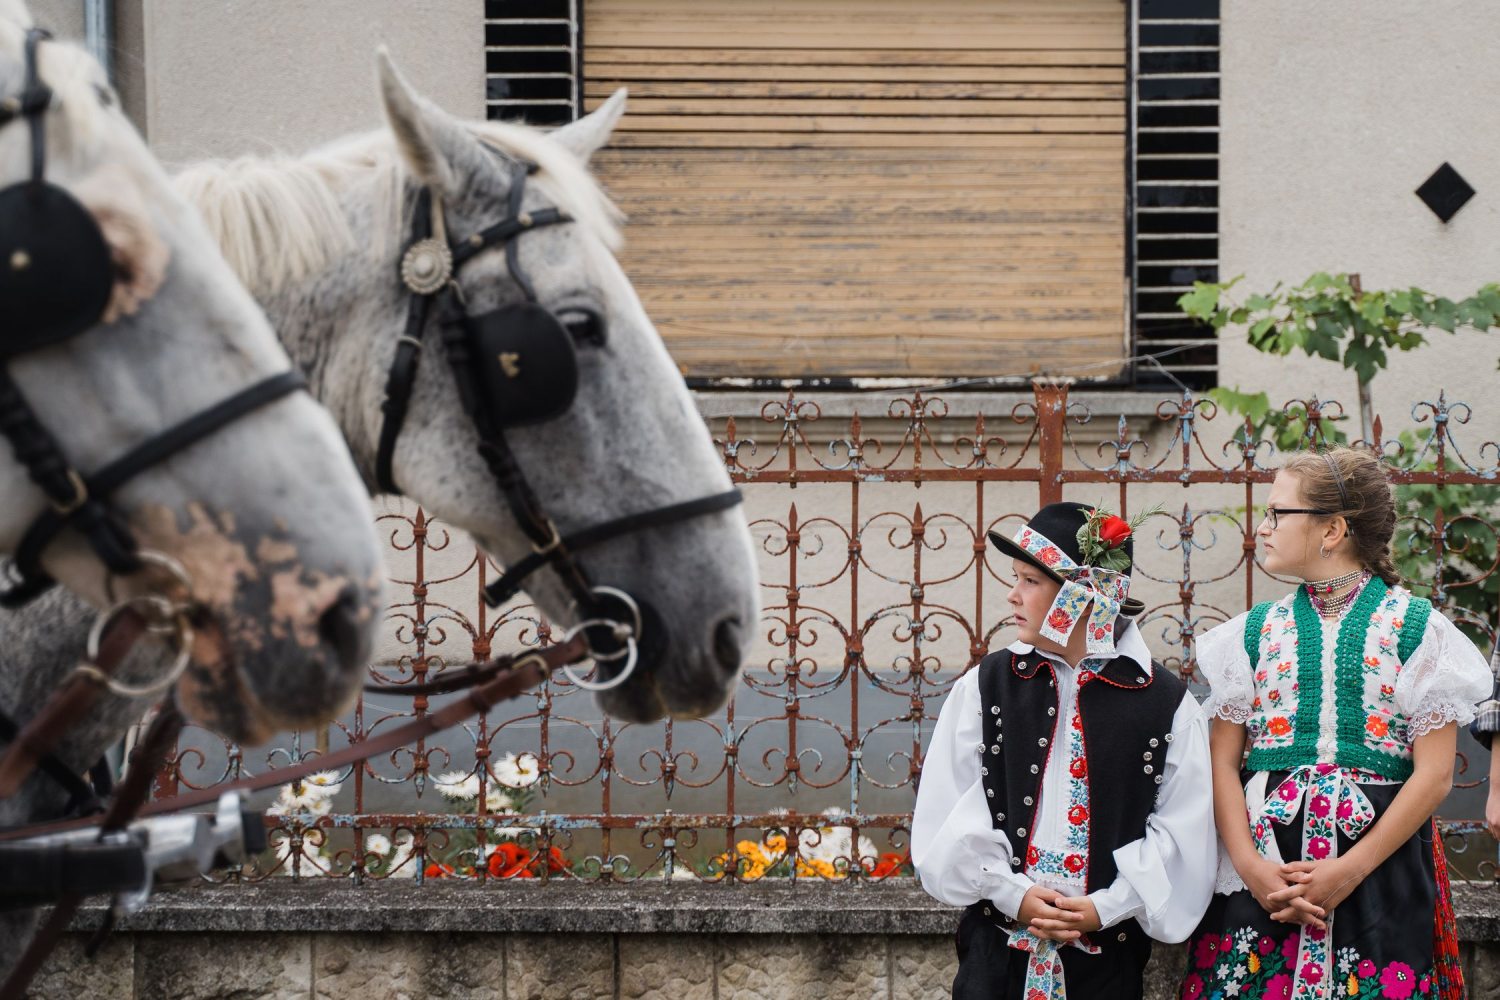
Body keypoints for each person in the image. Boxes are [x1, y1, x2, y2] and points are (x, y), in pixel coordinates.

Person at [1183, 448, 1491, 1000]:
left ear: (1333, 530)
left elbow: (1434, 775)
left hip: (1378, 873)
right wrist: (1252, 870)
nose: (1265, 528)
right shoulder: (1252, 634)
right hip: (1267, 879)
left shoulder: (1416, 629)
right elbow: (1222, 762)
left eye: (1279, 513)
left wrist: (1348, 871)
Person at [913, 500, 1216, 999]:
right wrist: (1015, 894)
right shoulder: (987, 686)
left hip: (1108, 965)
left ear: (1083, 595)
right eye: (1016, 578)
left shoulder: (1165, 705)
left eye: (1030, 581)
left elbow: (1184, 830)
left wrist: (1109, 905)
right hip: (995, 961)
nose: (1012, 596)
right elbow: (947, 811)